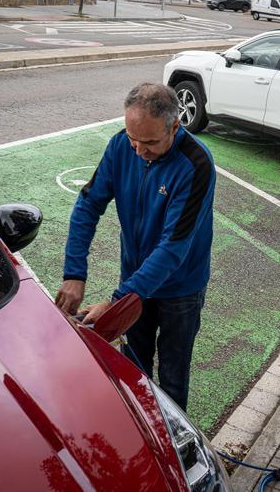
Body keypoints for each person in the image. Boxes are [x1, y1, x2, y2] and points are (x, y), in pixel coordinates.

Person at [55, 83, 215, 410]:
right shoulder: (120, 147)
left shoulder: (196, 165)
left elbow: (173, 247)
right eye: (133, 138)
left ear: (175, 126)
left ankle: (173, 446)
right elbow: (87, 206)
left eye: (151, 142)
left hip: (180, 290)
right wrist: (74, 274)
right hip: (135, 279)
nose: (139, 151)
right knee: (131, 368)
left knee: (172, 376)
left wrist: (118, 302)